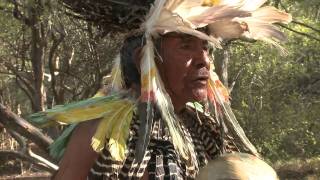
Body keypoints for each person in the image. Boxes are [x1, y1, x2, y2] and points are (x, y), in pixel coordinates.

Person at [29, 0, 291, 179]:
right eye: (186, 46)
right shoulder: (99, 131)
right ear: (145, 58)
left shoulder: (201, 127)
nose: (204, 60)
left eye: (206, 47)